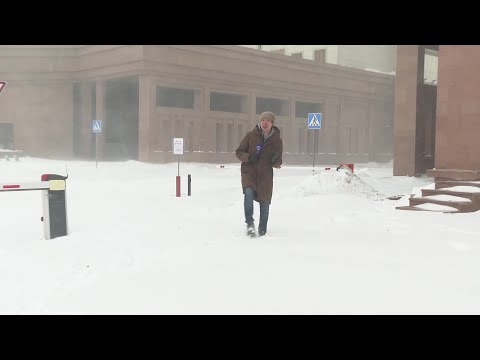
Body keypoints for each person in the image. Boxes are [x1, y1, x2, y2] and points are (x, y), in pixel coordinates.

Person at [235, 111, 283, 237]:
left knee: (265, 204)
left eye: (268, 120)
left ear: (272, 123)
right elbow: (239, 152)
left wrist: (275, 160)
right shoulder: (251, 136)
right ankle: (250, 224)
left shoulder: (277, 140)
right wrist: (249, 157)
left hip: (265, 176)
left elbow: (278, 163)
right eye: (263, 120)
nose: (264, 122)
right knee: (248, 194)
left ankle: (262, 230)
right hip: (249, 172)